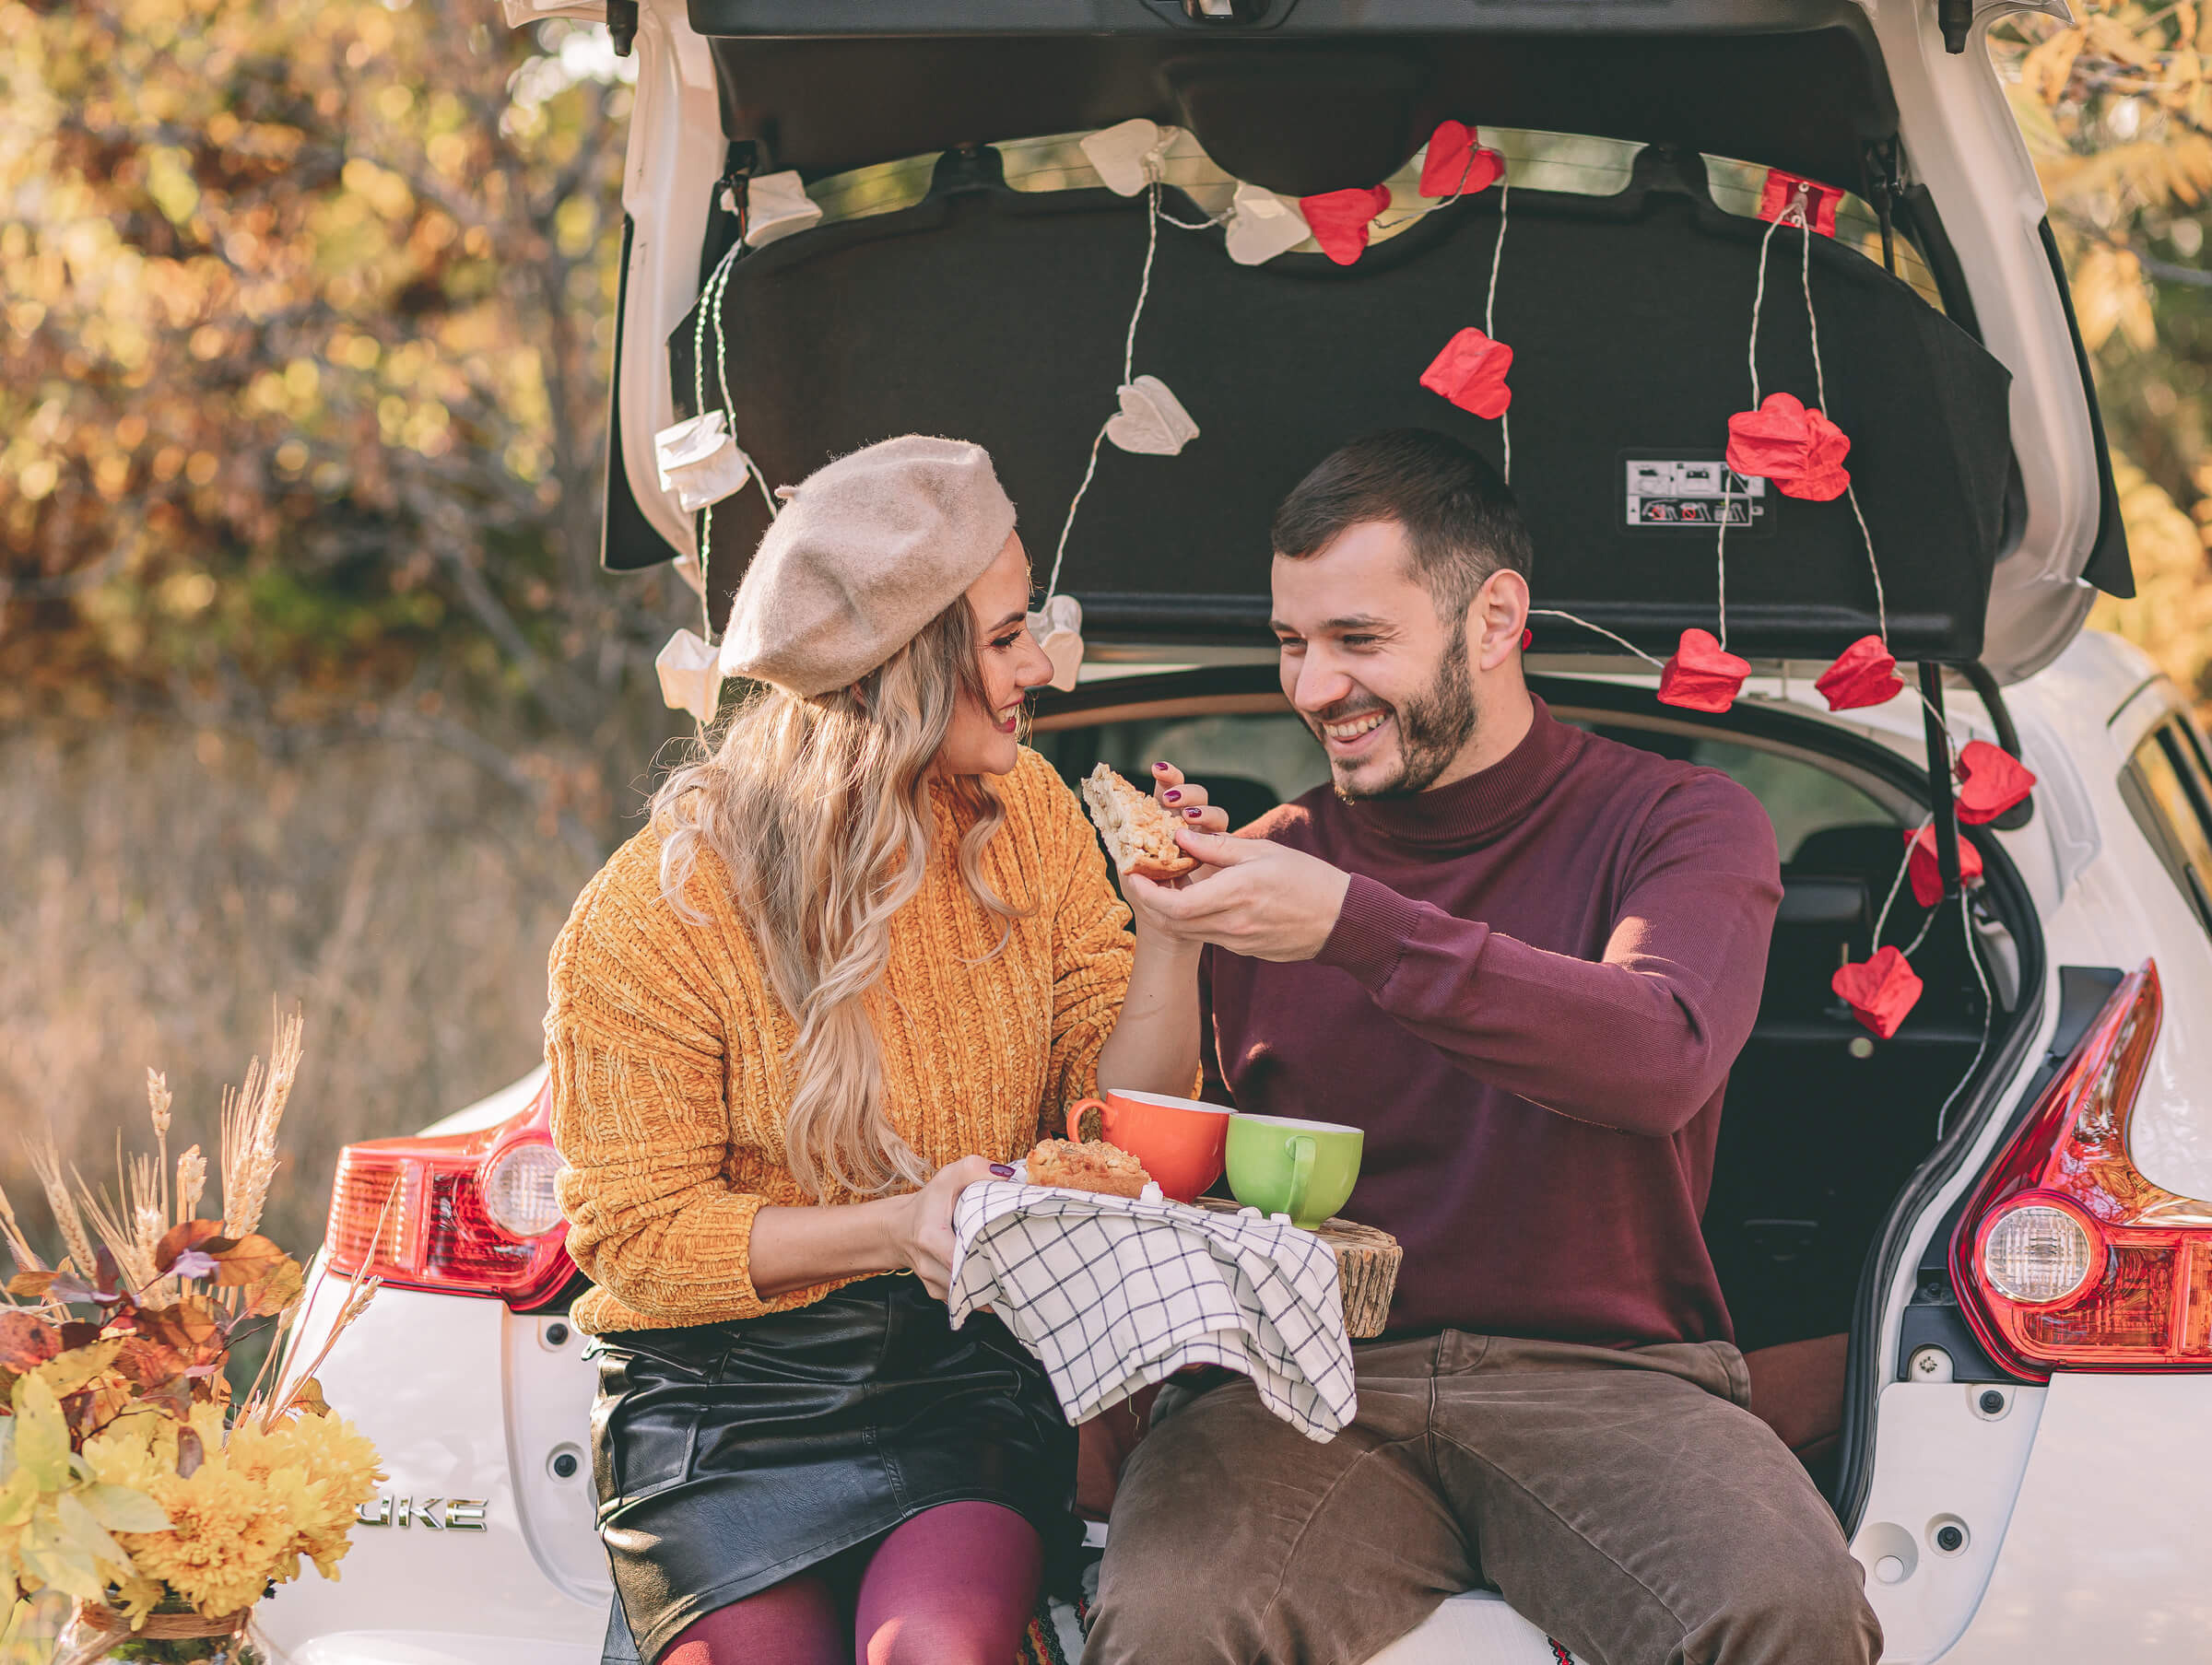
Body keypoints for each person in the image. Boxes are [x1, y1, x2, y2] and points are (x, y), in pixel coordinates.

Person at [1086, 429, 1881, 1665]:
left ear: (1496, 618)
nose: (1312, 689)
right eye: (1294, 644)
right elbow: (1144, 1153)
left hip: (1616, 1384)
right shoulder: (1273, 862)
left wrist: (1356, 928)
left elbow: (1654, 1054)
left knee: (1785, 1608)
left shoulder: (1680, 822)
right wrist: (1171, 935)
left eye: (1358, 642)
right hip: (1302, 1393)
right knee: (1171, 1619)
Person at [543, 436, 1229, 1665]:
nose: (1040, 668)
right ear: (907, 663)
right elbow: (636, 1236)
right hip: (715, 1411)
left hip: (956, 1380)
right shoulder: (655, 909)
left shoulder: (1037, 828)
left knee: (936, 1652)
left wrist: (1169, 938)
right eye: (1008, 636)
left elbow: (1117, 1138)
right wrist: (892, 1229)